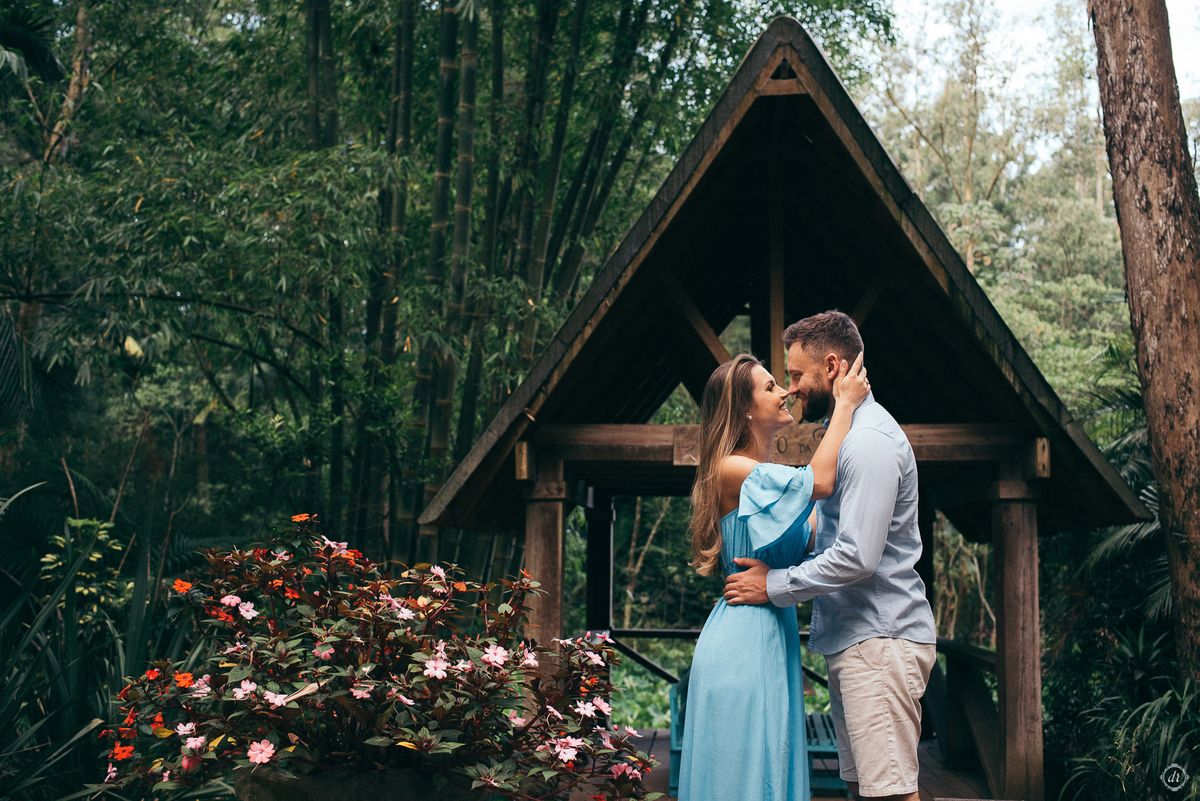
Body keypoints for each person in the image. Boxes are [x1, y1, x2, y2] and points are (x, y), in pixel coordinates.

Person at [722, 311, 937, 801]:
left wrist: (773, 584)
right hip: (858, 640)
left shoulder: (867, 443)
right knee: (864, 789)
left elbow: (857, 557)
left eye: (797, 374)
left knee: (891, 794)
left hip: (879, 641)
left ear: (834, 366)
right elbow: (825, 529)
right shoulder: (845, 437)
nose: (792, 388)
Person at [677, 350, 870, 801]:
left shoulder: (771, 483)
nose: (784, 391)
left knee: (771, 769)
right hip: (742, 639)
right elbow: (819, 483)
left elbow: (823, 526)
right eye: (770, 387)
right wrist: (844, 405)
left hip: (773, 635)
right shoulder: (732, 469)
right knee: (741, 780)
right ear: (745, 409)